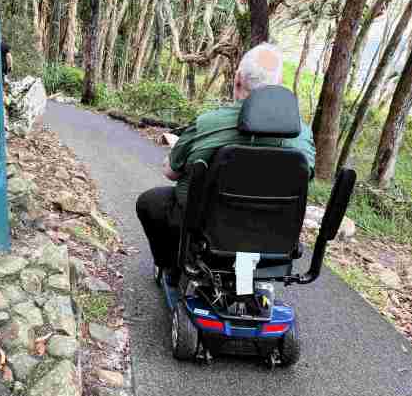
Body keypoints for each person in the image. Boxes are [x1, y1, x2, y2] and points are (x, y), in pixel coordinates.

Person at [135, 43, 316, 280]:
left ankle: (170, 266)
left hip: (206, 230)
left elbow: (171, 172)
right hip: (272, 237)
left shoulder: (209, 123)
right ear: (279, 83)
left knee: (150, 202)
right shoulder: (303, 135)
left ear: (237, 79)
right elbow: (305, 181)